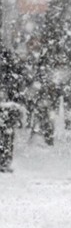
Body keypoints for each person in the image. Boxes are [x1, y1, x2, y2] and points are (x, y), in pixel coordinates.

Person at [0, 44, 26, 172]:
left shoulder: (7, 56)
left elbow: (17, 78)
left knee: (6, 132)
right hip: (7, 102)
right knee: (6, 132)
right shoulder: (7, 55)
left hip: (6, 103)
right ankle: (4, 160)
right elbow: (17, 78)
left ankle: (4, 160)